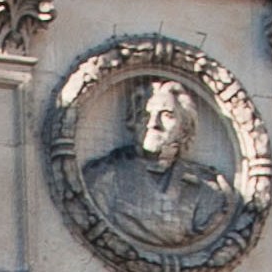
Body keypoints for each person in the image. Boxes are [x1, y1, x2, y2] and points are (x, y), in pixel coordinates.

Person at [80, 74, 247, 255]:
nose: (153, 124)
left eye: (166, 115)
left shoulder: (209, 189)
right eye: (144, 115)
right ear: (133, 122)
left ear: (184, 129)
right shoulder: (102, 177)